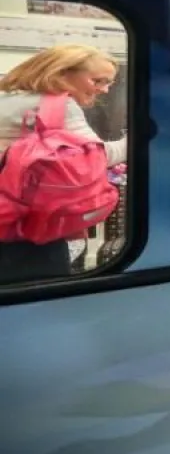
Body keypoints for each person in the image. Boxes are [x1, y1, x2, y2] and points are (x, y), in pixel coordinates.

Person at [0, 45, 127, 285]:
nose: (105, 89)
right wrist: (135, 140)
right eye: (98, 80)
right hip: (28, 228)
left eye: (108, 83)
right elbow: (98, 157)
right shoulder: (59, 106)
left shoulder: (5, 98)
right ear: (60, 73)